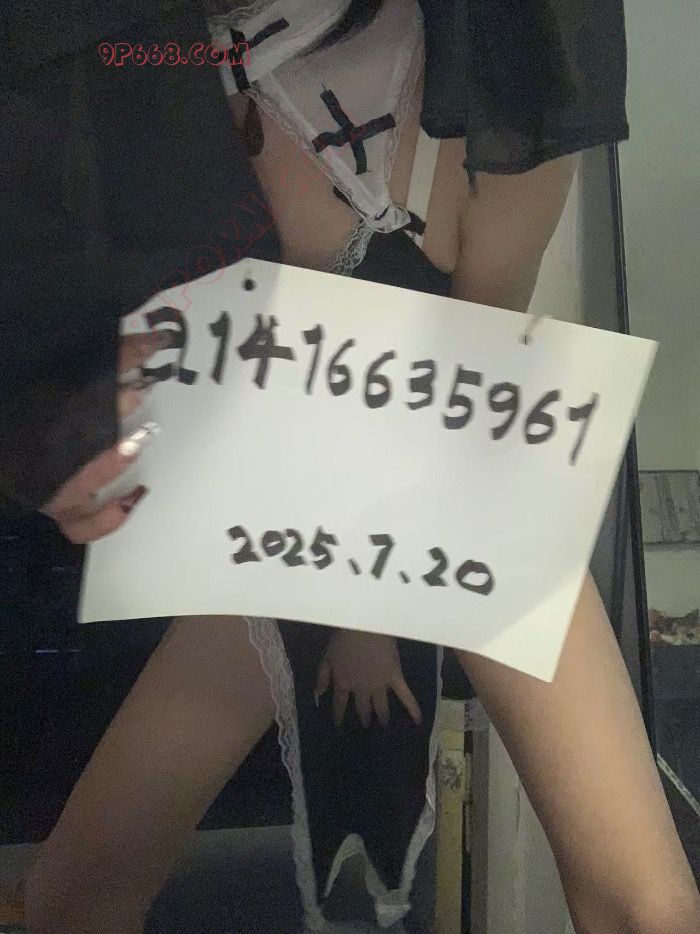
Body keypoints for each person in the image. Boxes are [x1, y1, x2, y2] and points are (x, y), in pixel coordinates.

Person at [3, 1, 697, 932]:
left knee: (649, 905)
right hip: (278, 503)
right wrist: (59, 418)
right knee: (74, 894)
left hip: (453, 487)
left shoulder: (509, 61)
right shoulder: (136, 61)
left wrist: (367, 615)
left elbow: (474, 379)